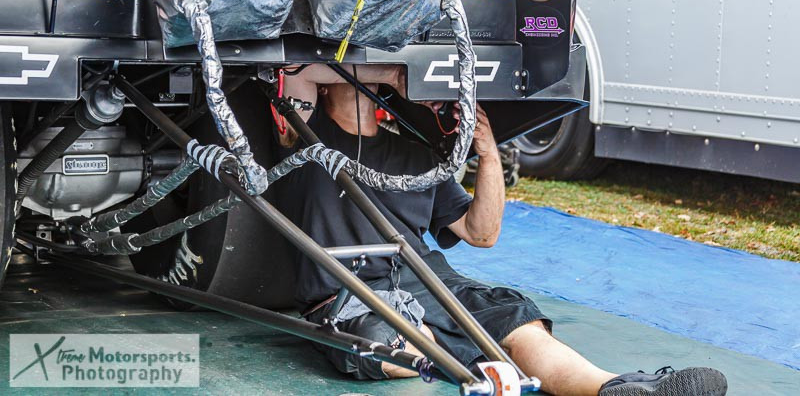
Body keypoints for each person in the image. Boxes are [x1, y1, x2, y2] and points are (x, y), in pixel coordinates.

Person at [271, 64, 727, 396]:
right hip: (347, 290)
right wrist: (396, 70)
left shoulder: (417, 154)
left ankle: (616, 387)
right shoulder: (303, 133)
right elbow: (300, 72)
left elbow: (481, 233)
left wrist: (488, 155)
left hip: (433, 283)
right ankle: (464, 359)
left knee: (519, 327)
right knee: (396, 345)